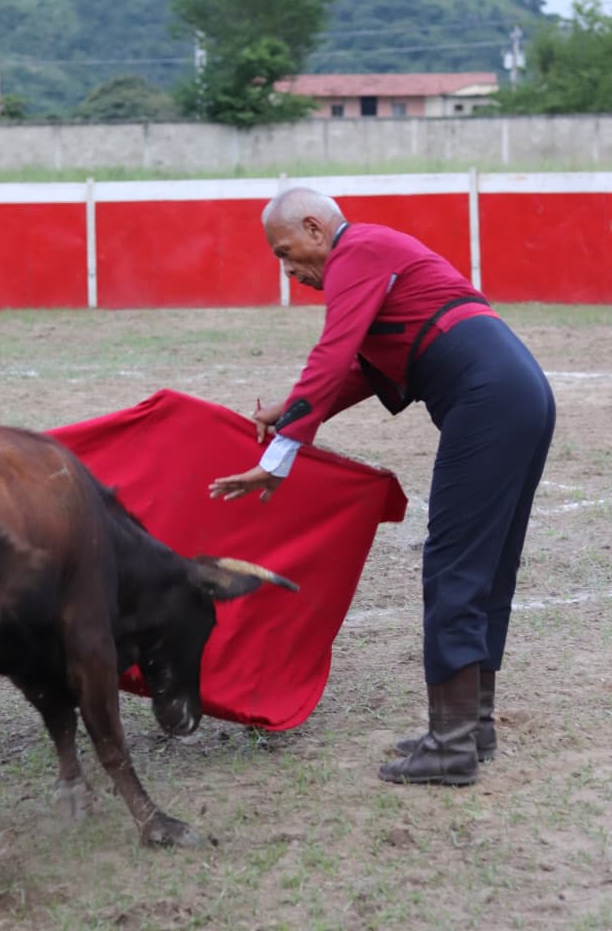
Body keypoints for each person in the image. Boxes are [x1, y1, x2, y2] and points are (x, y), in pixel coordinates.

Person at [210, 186, 555, 786]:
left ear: (315, 228)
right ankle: (471, 728)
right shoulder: (374, 253)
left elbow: (333, 352)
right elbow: (360, 370)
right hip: (520, 392)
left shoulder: (356, 252)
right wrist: (292, 411)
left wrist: (282, 452)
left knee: (455, 567)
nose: (288, 270)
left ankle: (451, 746)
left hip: (491, 401)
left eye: (286, 252)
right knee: (485, 568)